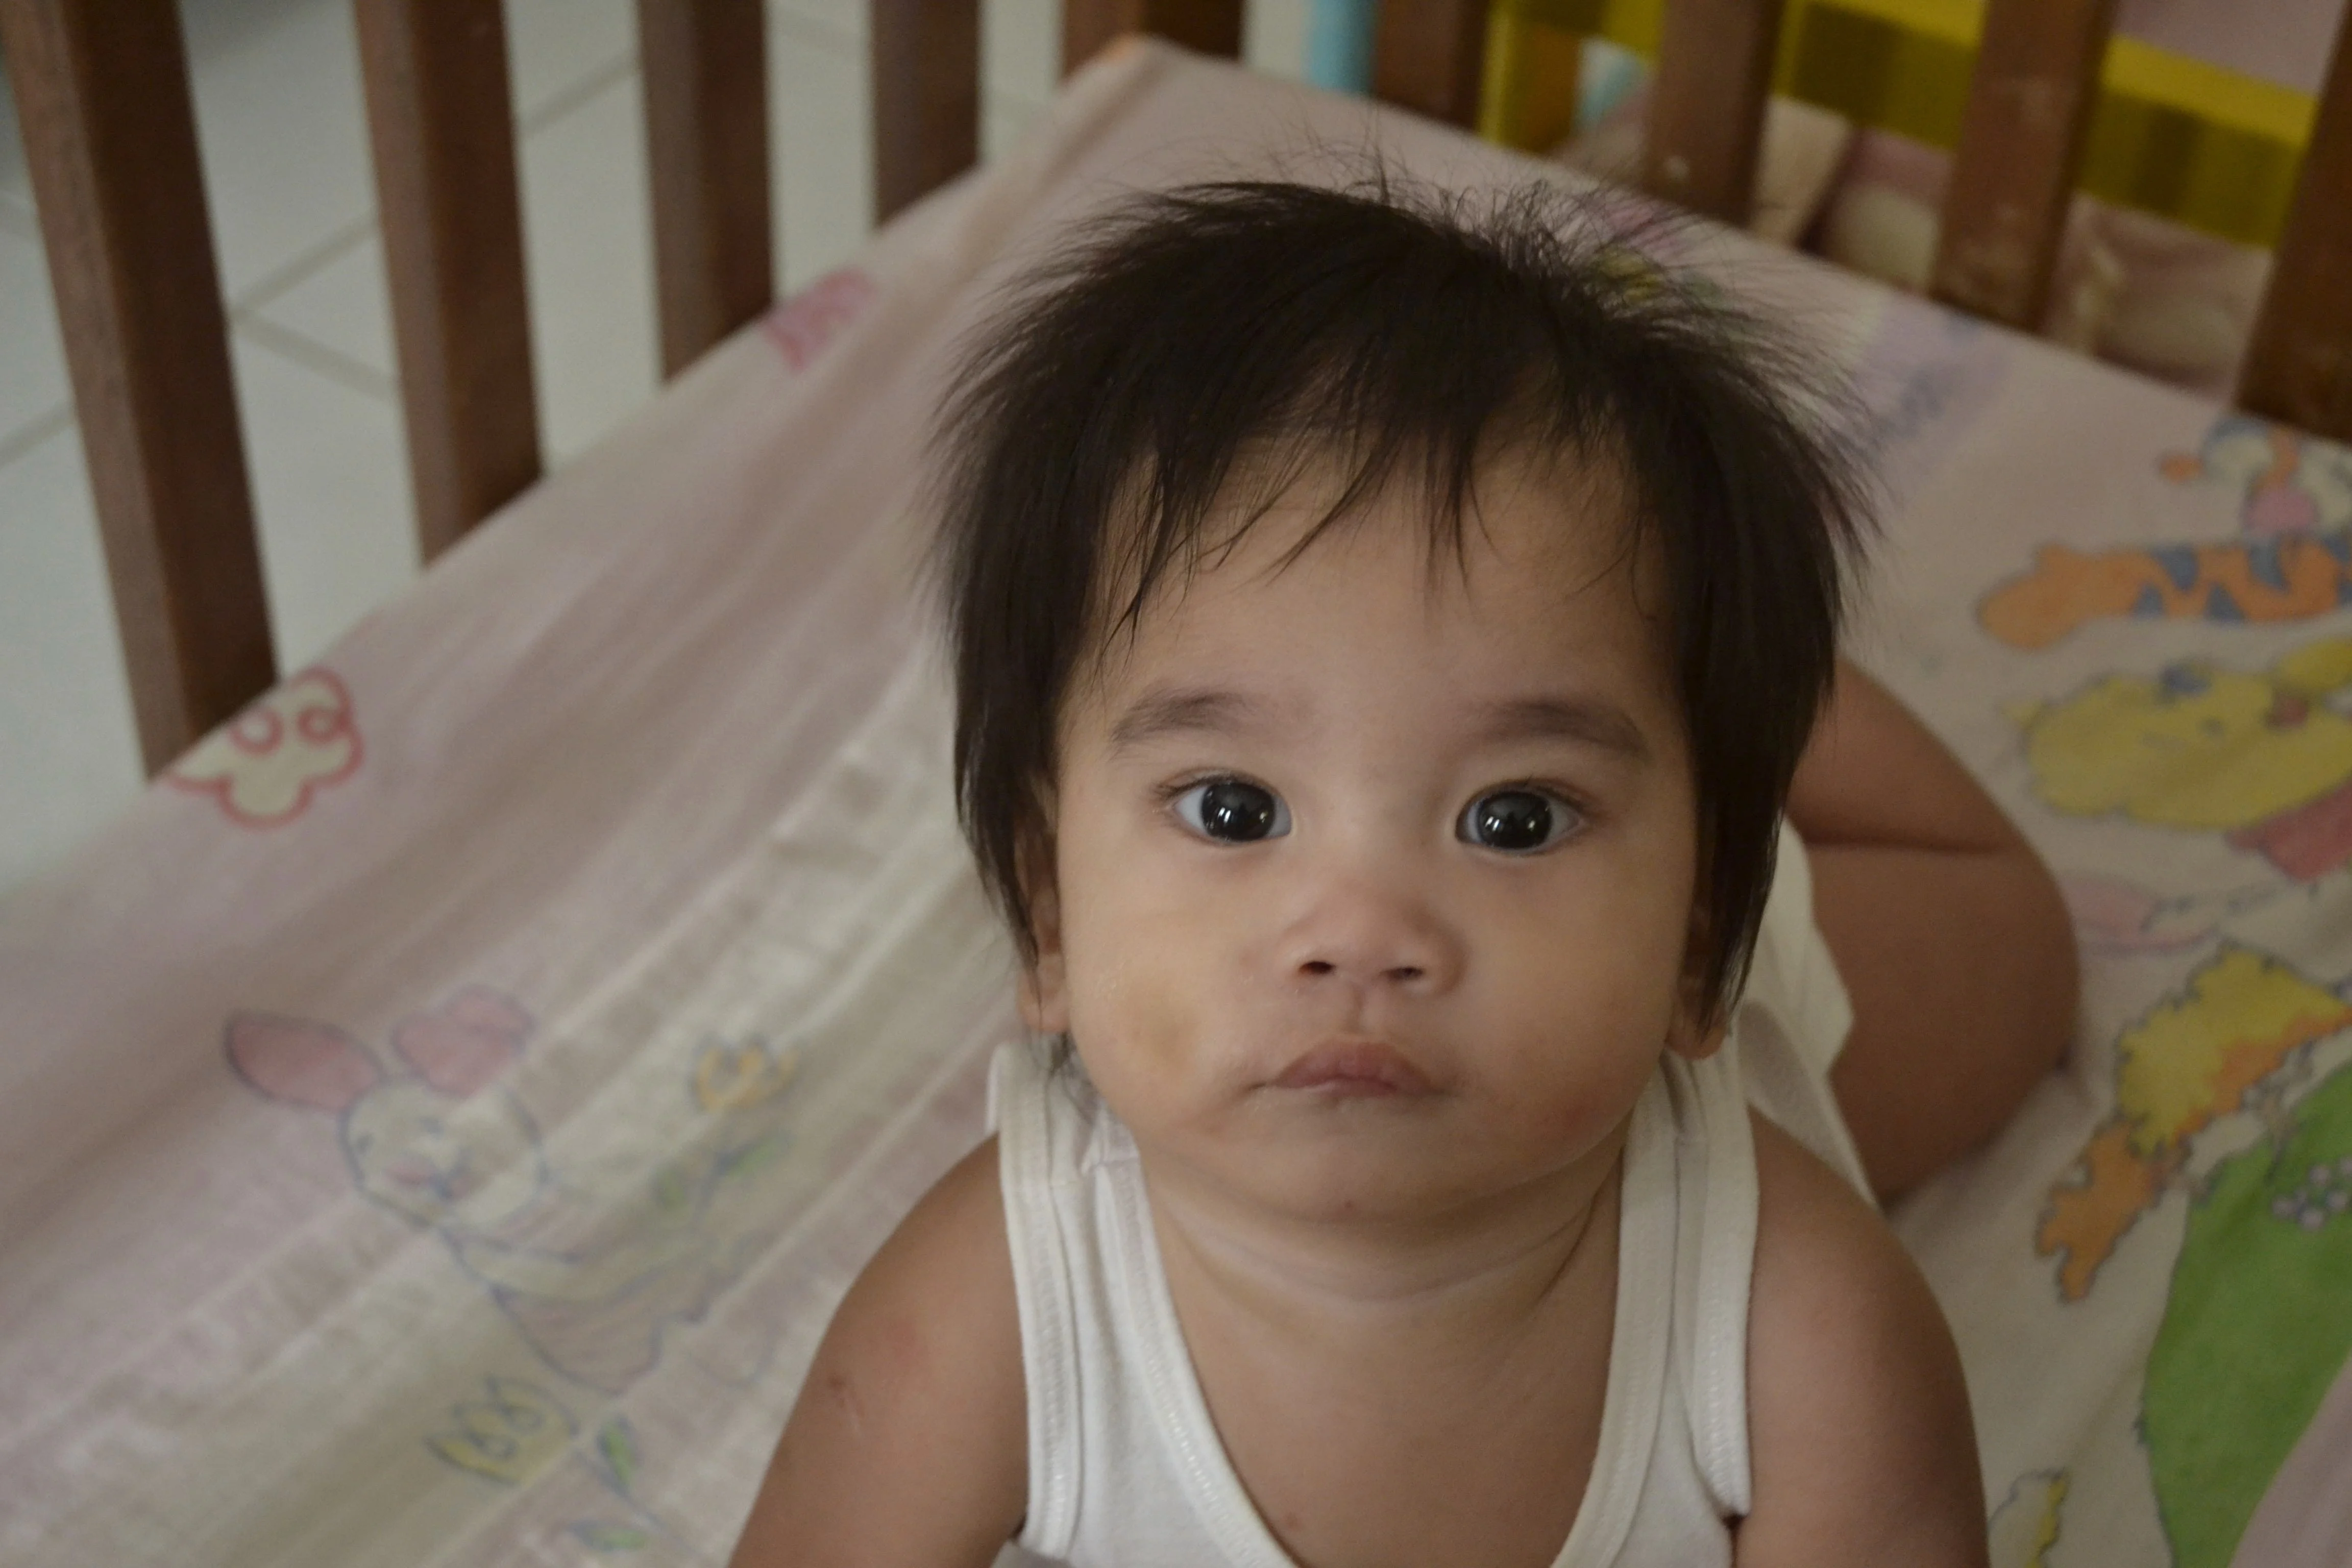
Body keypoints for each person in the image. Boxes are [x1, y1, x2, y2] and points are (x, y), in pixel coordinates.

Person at [728, 178, 2076, 1567]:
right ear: (1050, 909)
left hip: (1759, 987)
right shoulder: (985, 1317)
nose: (1363, 934)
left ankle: (1733, 691)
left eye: (1515, 819)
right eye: (1236, 808)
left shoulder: (1801, 1323)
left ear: (1694, 937)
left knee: (2015, 943)